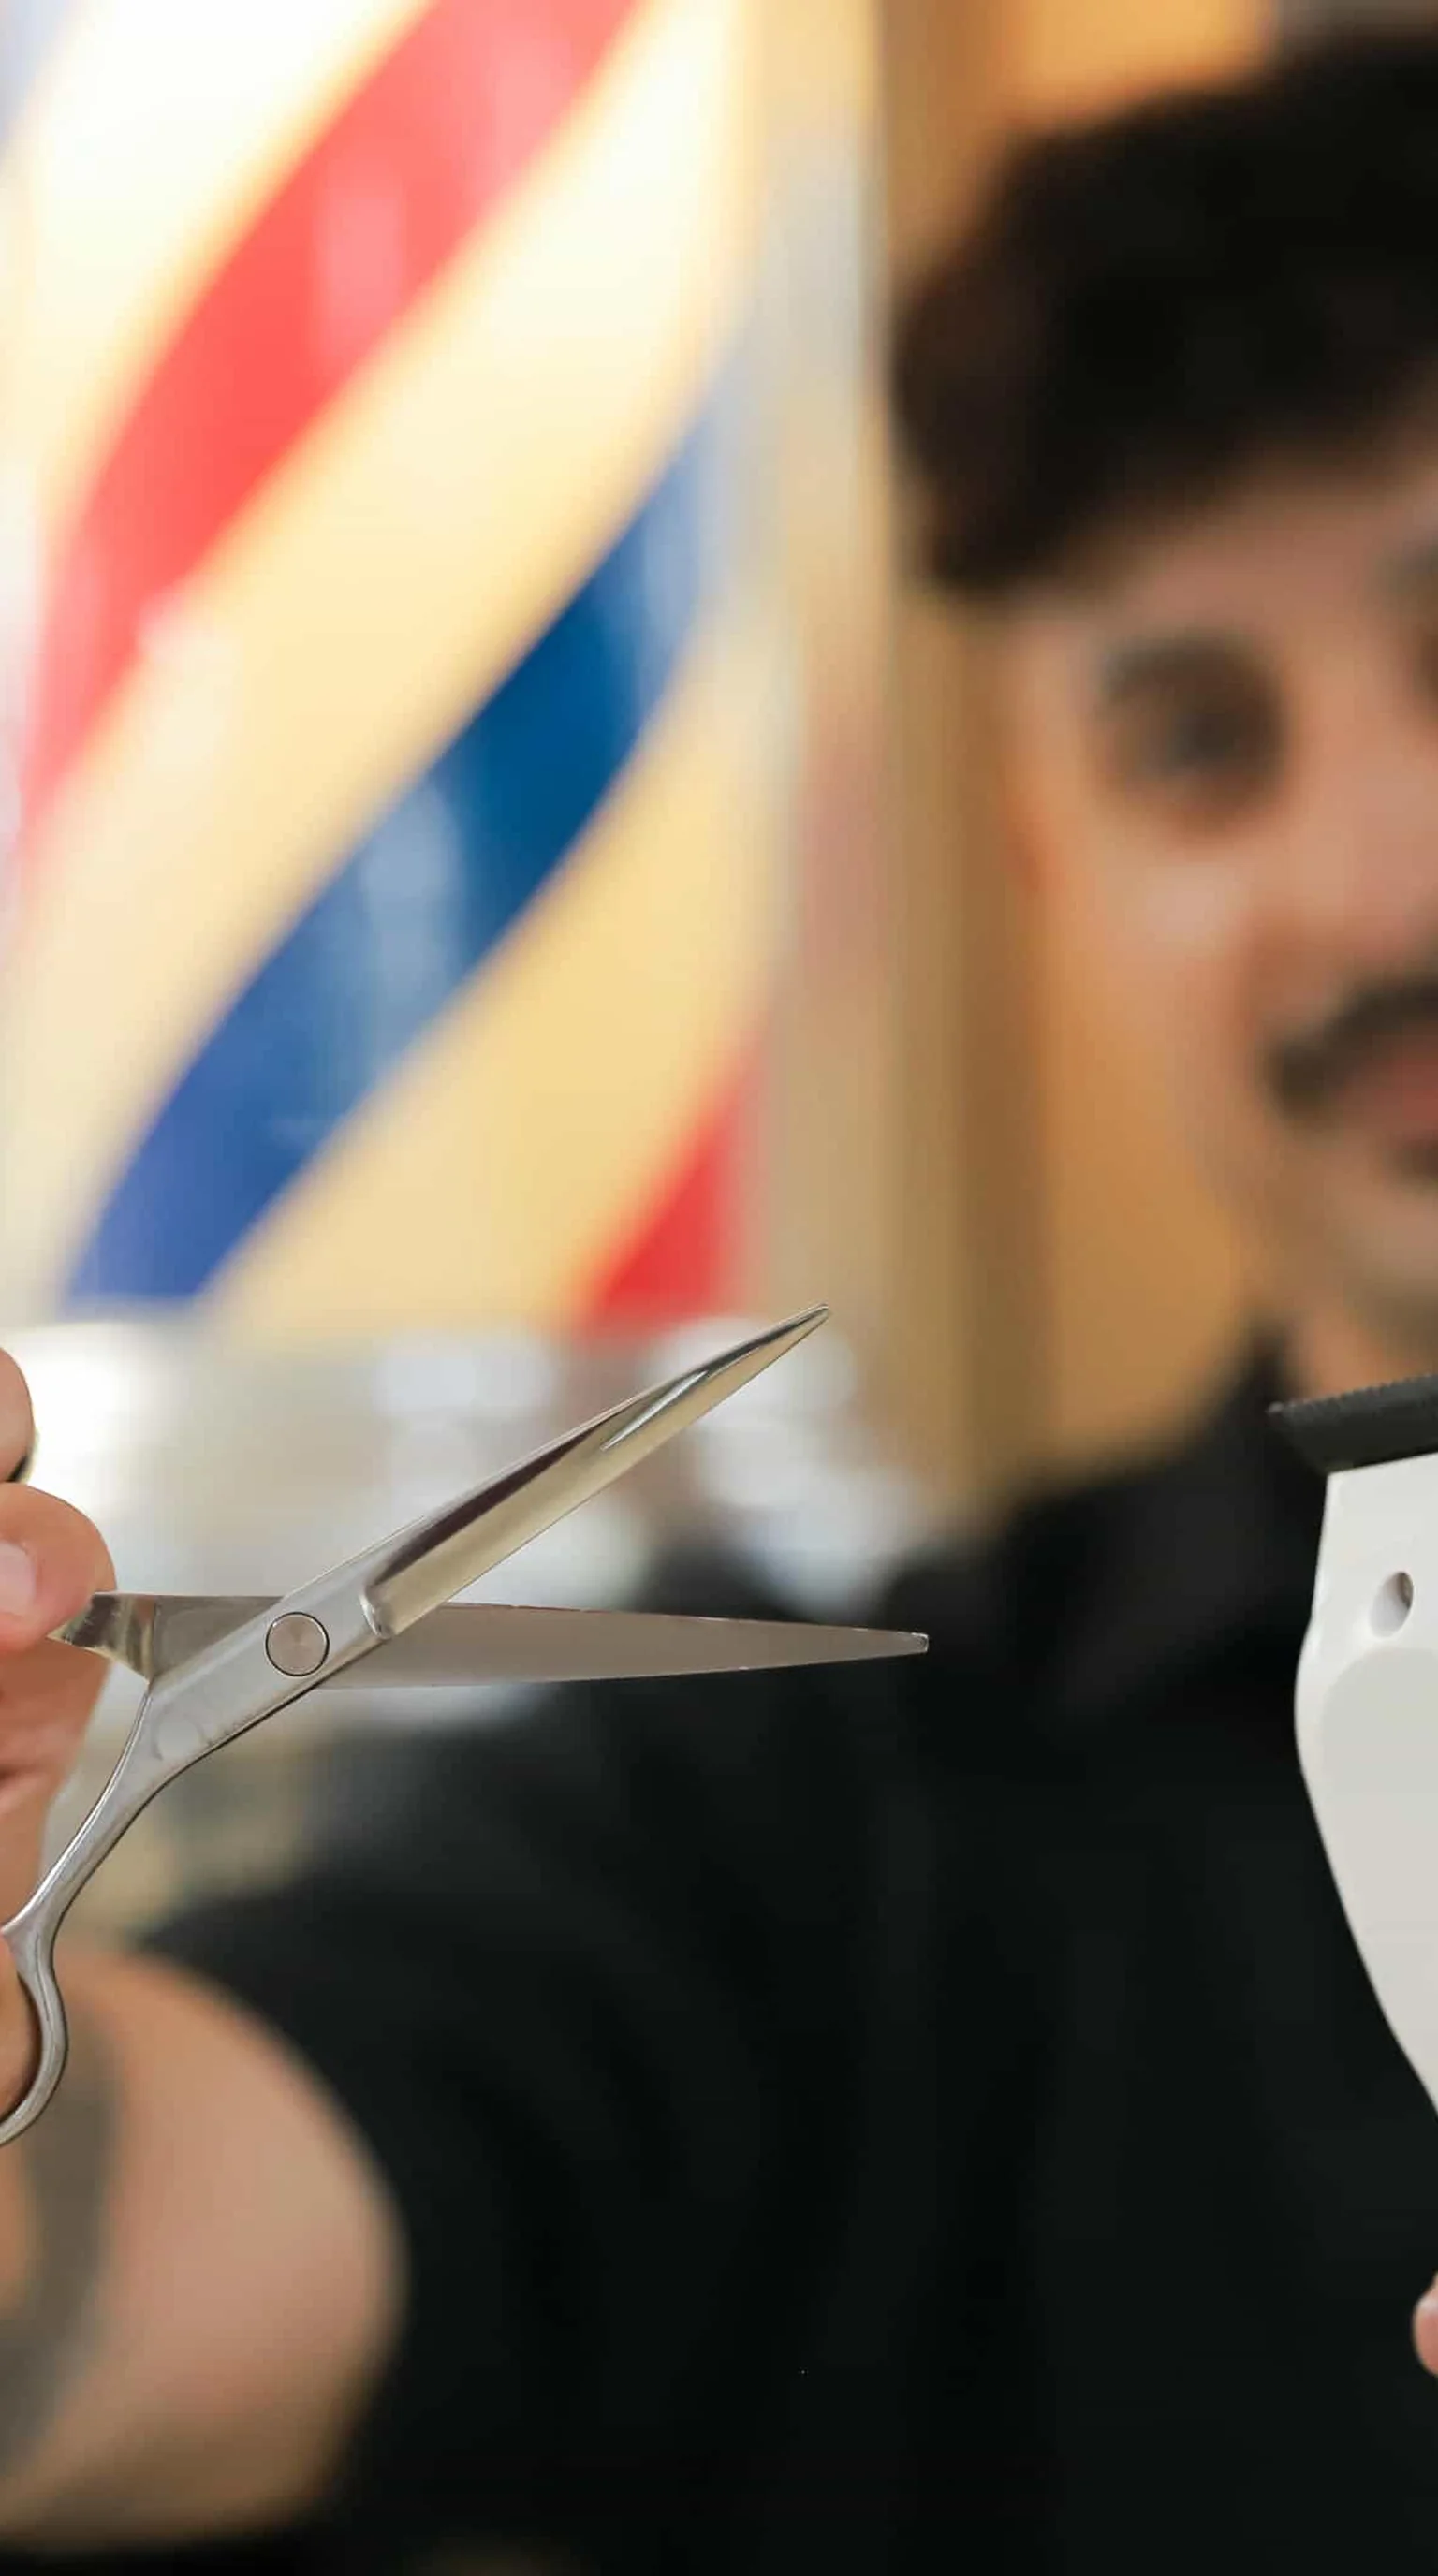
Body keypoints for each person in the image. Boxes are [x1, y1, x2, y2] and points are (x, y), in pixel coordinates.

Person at [14, 27, 1438, 2574]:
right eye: (1196, 745)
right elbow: (89, 2308)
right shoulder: (810, 1848)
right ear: (1047, 860)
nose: (1386, 883)